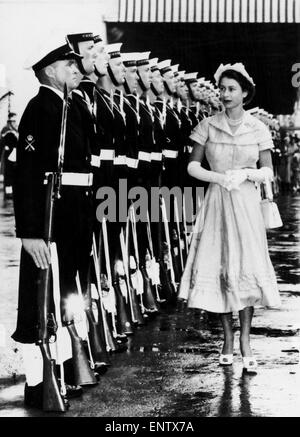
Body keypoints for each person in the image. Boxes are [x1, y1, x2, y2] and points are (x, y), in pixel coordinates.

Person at [12, 34, 97, 410]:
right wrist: (29, 233)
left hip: (73, 218)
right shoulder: (38, 109)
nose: (77, 71)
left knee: (66, 294)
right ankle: (39, 382)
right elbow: (27, 176)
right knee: (39, 301)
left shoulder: (71, 109)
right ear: (49, 71)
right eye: (69, 66)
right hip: (47, 223)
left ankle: (65, 366)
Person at [179, 63, 281, 373]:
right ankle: (227, 337)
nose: (224, 94)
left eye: (231, 89)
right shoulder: (208, 125)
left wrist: (248, 174)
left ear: (245, 93)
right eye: (222, 88)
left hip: (247, 204)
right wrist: (219, 178)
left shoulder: (258, 129)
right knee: (221, 266)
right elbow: (192, 167)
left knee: (246, 268)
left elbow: (268, 172)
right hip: (217, 202)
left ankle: (246, 341)